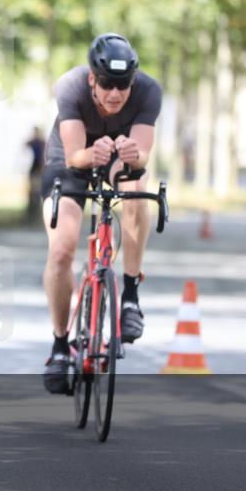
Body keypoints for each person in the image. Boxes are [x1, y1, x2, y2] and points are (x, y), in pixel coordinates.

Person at [40, 33, 162, 395]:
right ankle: (60, 345)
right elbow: (75, 155)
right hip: (70, 160)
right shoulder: (71, 86)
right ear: (92, 78)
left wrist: (133, 154)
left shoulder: (148, 91)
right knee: (62, 250)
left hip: (117, 158)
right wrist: (90, 154)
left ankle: (130, 297)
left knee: (136, 188)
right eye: (107, 83)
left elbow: (142, 157)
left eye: (123, 85)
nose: (115, 93)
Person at [26, 127, 45, 222]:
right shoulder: (34, 142)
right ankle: (31, 212)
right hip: (34, 167)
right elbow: (26, 144)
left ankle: (36, 212)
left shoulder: (41, 143)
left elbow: (42, 157)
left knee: (37, 191)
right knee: (32, 191)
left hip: (38, 167)